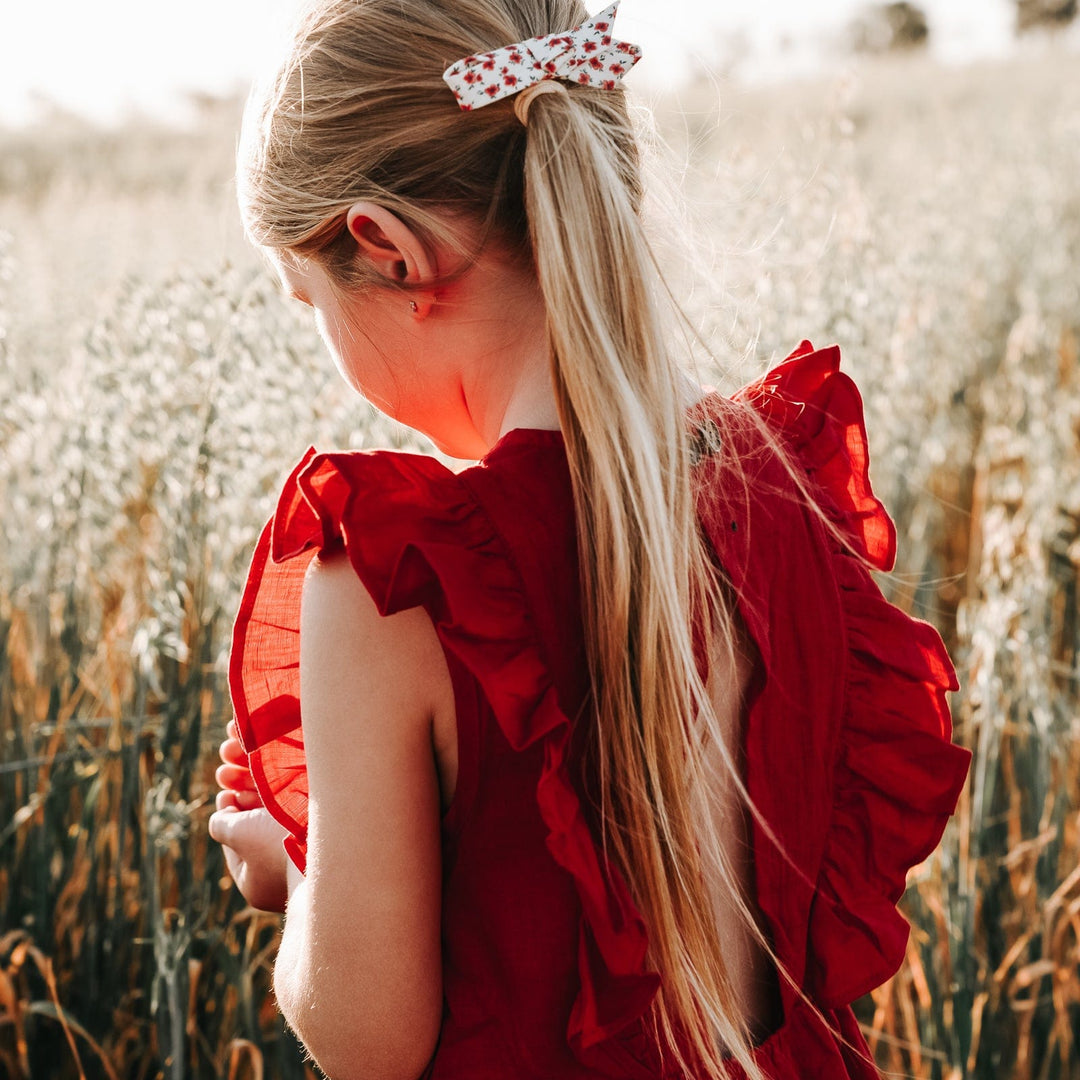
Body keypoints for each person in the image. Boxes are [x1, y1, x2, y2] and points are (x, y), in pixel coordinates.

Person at [207, 2, 972, 1078]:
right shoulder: (781, 485)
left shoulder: (396, 576)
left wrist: (294, 861)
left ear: (387, 252)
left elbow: (367, 1037)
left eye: (307, 300)